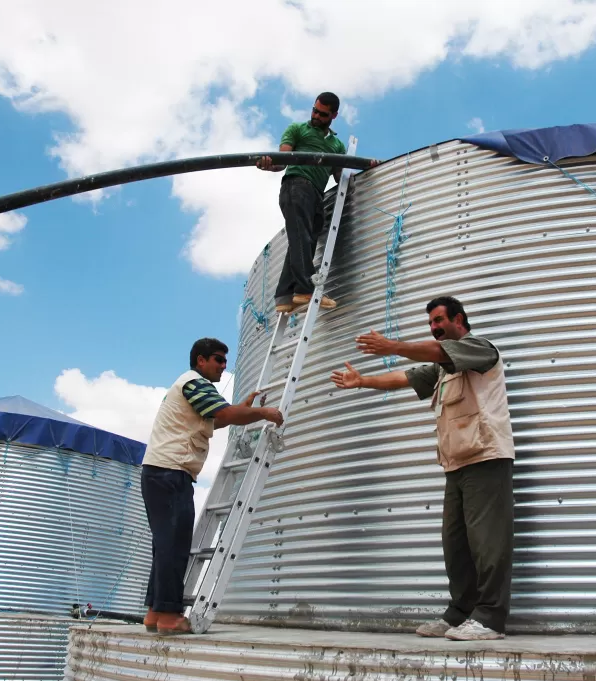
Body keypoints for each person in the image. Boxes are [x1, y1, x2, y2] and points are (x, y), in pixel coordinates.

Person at [331, 296, 515, 641]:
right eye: (431, 323)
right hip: (457, 463)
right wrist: (363, 381)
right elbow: (404, 377)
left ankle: (490, 618)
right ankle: (460, 613)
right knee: (455, 544)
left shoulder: (478, 348)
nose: (434, 327)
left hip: (487, 457)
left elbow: (435, 353)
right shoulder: (443, 368)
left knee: (488, 543)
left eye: (439, 320)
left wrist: (392, 346)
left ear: (459, 319)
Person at [141, 337, 284, 634]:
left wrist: (240, 410)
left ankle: (155, 613)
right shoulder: (195, 383)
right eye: (218, 359)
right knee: (174, 546)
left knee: (165, 545)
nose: (223, 366)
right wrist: (263, 413)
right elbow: (223, 414)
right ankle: (169, 615)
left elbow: (215, 420)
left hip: (161, 472)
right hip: (170, 472)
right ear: (200, 360)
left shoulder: (189, 387)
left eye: (224, 361)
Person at [257, 91, 377, 313]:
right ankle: (305, 289)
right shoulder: (297, 130)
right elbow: (281, 160)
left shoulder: (337, 146)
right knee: (300, 236)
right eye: (314, 110)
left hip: (316, 194)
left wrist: (366, 167)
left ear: (333, 115)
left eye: (322, 114)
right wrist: (269, 164)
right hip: (296, 186)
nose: (315, 116)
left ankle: (284, 296)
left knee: (307, 240)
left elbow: (340, 177)